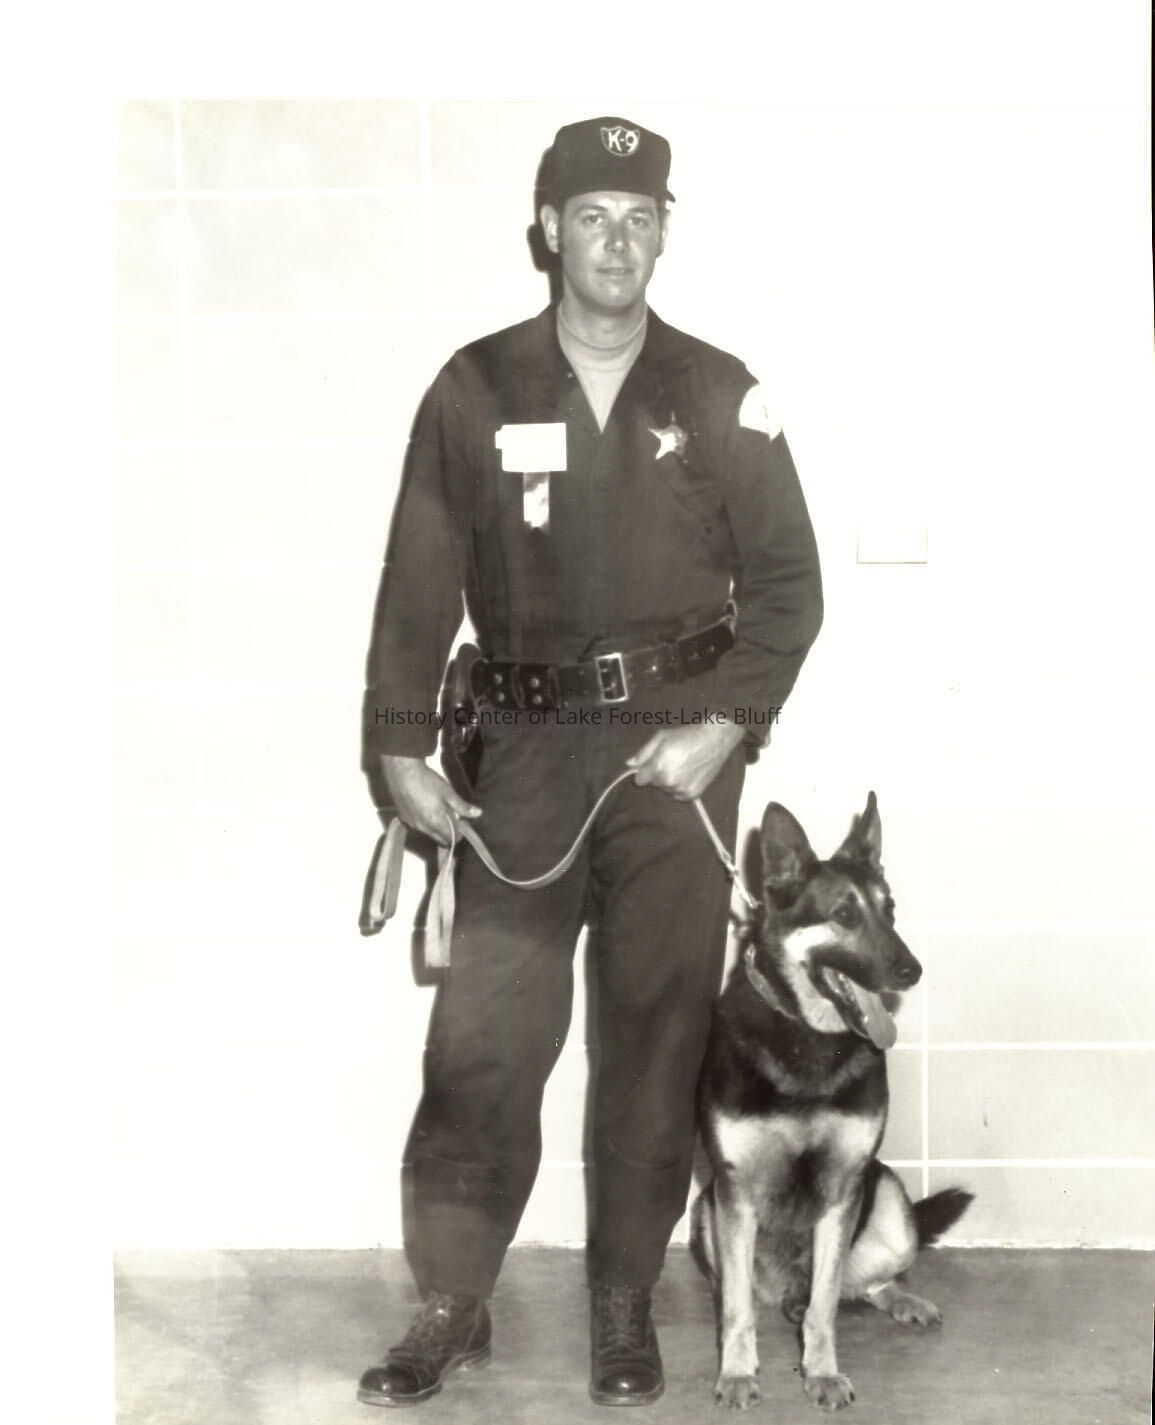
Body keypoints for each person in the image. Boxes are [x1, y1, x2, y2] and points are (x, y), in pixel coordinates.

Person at [356, 116, 823, 1408]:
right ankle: (453, 1297)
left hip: (677, 758)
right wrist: (399, 744)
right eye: (594, 217)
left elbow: (790, 588)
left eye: (641, 218)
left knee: (656, 1037)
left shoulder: (718, 391)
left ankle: (623, 1298)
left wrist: (722, 725)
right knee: (484, 1041)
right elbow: (417, 578)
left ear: (664, 233)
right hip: (521, 755)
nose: (618, 242)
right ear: (548, 230)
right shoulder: (476, 386)